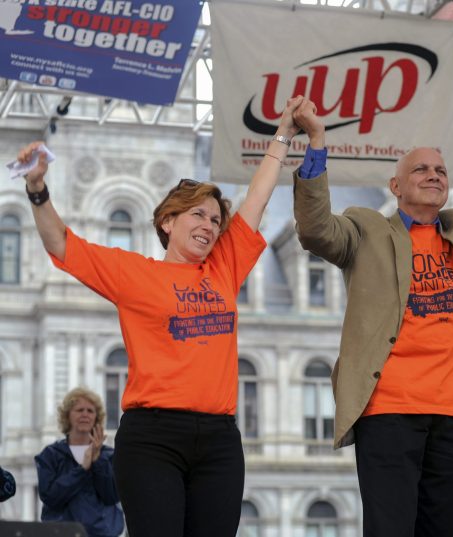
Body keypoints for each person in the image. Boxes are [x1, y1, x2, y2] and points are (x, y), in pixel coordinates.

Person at [18, 96, 306, 537]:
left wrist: (283, 133)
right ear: (167, 222)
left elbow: (258, 197)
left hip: (219, 440)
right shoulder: (134, 273)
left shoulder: (225, 267)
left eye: (215, 219)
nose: (210, 225)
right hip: (153, 438)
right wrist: (38, 189)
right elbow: (61, 244)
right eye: (198, 214)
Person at [291, 98, 453, 537]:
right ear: (395, 186)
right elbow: (315, 228)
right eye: (421, 170)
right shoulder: (366, 231)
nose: (434, 174)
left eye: (440, 170)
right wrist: (317, 143)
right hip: (389, 410)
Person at [35, 388, 123, 536]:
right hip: (62, 533)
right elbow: (50, 497)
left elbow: (111, 496)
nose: (85, 415)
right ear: (67, 415)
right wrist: (82, 469)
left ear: (96, 417)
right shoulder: (50, 455)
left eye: (90, 411)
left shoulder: (109, 456)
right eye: (79, 410)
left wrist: (98, 460)